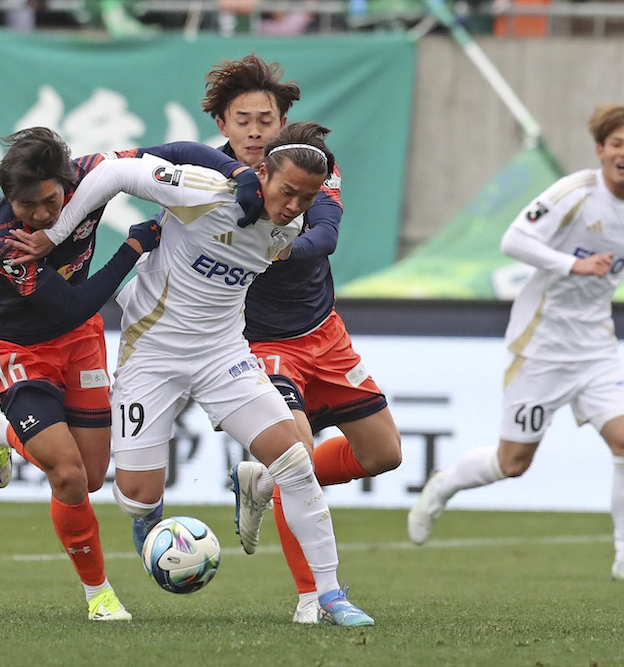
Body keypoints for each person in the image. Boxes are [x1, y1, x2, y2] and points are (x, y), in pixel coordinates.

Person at [10, 121, 376, 626]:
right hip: (153, 354)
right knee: (135, 498)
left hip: (223, 354)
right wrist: (53, 235)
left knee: (295, 460)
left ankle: (330, 596)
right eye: (287, 191)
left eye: (305, 198)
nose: (294, 206)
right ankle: (139, 517)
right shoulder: (206, 191)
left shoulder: (291, 228)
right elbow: (115, 173)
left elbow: (325, 231)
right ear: (262, 174)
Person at [0, 127, 260, 622]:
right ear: (7, 198)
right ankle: (98, 594)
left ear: (67, 183)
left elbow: (175, 152)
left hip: (78, 340)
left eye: (50, 201)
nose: (41, 216)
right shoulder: (1, 244)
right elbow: (71, 305)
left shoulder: (91, 173)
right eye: (26, 206)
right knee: (67, 475)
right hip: (17, 347)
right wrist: (132, 249)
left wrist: (237, 171)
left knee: (90, 476)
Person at [407, 104, 624, 584]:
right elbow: (514, 240)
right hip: (540, 345)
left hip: (596, 348)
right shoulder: (572, 194)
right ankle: (444, 485)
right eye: (616, 144)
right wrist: (572, 264)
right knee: (512, 463)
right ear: (600, 150)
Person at [201, 53, 402, 623]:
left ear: (282, 120)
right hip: (260, 345)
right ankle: (312, 596)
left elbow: (328, 233)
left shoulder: (314, 164)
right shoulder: (211, 179)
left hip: (325, 334)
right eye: (243, 120)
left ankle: (262, 482)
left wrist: (280, 249)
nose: (255, 131)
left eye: (265, 119)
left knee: (383, 455)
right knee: (298, 459)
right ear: (223, 124)